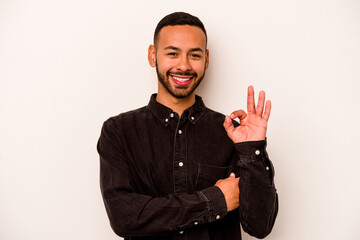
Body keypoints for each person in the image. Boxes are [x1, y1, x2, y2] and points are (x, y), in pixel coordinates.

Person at [97, 12, 278, 240]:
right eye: (173, 53)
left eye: (194, 55)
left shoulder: (233, 133)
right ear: (153, 56)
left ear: (206, 59)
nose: (183, 66)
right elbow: (124, 216)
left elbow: (260, 227)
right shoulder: (118, 132)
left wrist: (253, 150)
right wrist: (215, 200)